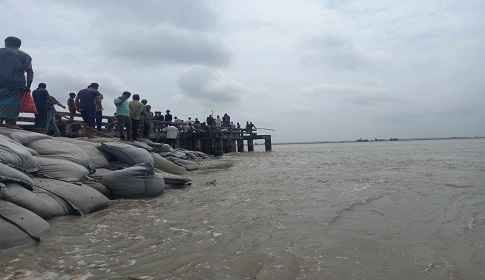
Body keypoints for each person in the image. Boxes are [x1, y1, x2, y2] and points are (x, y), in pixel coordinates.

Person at [0, 36, 34, 129]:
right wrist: (28, 86)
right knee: (13, 104)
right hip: (16, 84)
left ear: (8, 43)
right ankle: (12, 123)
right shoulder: (25, 56)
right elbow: (29, 71)